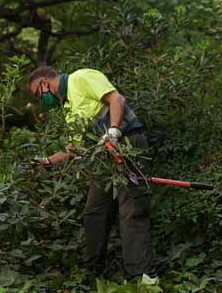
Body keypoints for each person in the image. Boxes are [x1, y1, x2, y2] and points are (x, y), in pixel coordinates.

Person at [28, 66, 156, 279]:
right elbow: (73, 147)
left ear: (44, 82)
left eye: (37, 94)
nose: (41, 99)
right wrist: (47, 161)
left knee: (132, 210)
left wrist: (113, 130)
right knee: (94, 211)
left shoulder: (81, 78)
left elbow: (116, 99)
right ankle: (91, 272)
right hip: (103, 155)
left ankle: (143, 276)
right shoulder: (68, 106)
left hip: (127, 144)